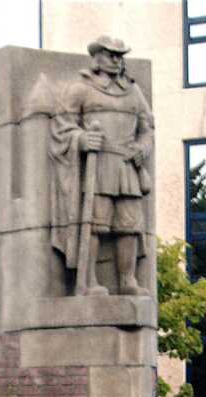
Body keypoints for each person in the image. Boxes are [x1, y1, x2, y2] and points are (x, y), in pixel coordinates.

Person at [49, 36, 154, 296]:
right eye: (111, 54)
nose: (116, 60)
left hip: (127, 165)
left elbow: (147, 129)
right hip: (98, 166)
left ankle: (127, 280)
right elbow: (62, 126)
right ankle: (88, 280)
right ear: (96, 58)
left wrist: (143, 148)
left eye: (120, 55)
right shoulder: (81, 88)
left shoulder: (134, 92)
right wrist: (82, 139)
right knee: (95, 222)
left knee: (129, 225)